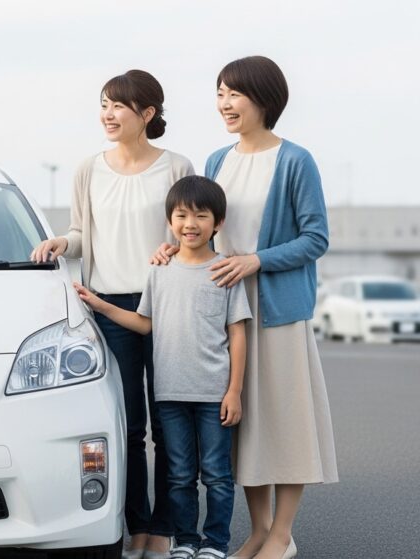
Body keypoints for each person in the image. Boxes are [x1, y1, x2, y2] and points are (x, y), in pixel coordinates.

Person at [154, 56, 338, 559]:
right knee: (245, 426)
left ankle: (282, 534)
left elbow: (316, 238)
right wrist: (174, 248)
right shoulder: (217, 160)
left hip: (276, 309)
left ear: (265, 99)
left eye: (234, 93)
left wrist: (257, 260)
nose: (225, 103)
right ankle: (258, 531)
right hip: (224, 307)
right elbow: (204, 225)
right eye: (220, 93)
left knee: (285, 423)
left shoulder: (296, 160)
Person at [31, 69, 194, 558]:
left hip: (166, 303)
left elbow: (190, 232)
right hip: (108, 307)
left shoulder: (176, 167)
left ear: (147, 113)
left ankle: (164, 529)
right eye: (104, 104)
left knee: (168, 424)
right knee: (127, 424)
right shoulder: (89, 169)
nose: (108, 114)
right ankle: (136, 525)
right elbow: (82, 233)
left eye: (118, 105)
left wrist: (172, 249)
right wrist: (63, 242)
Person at [78, 175, 252, 559]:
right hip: (170, 394)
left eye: (201, 216)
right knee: (179, 474)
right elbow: (145, 324)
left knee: (217, 474)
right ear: (169, 221)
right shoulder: (159, 270)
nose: (191, 224)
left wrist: (234, 391)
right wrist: (100, 304)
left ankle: (215, 543)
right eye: (182, 215)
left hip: (214, 394)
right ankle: (186, 541)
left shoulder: (224, 271)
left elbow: (237, 334)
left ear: (218, 223)